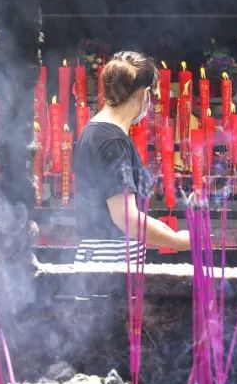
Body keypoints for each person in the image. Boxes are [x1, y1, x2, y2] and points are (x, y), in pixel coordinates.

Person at [72, 51, 191, 263]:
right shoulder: (112, 141)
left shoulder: (99, 131)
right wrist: (176, 242)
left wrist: (171, 234)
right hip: (109, 259)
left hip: (106, 256)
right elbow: (126, 218)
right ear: (145, 94)